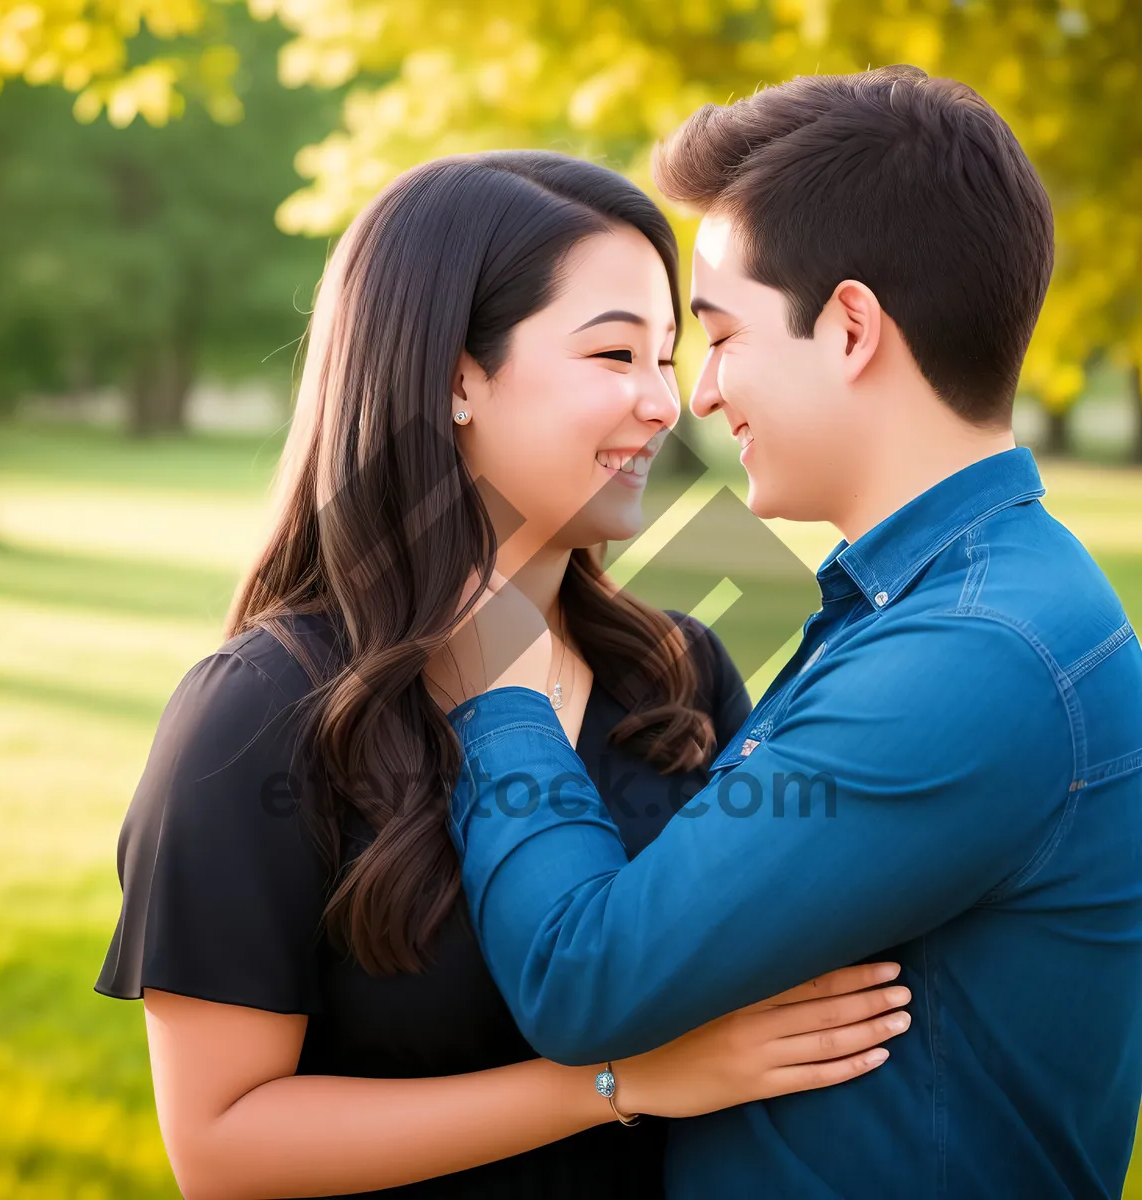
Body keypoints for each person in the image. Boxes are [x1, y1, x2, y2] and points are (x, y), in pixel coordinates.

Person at [93, 149, 913, 1200]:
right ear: (454, 379)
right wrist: (611, 1082)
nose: (668, 404)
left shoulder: (682, 672)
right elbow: (220, 1147)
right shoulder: (261, 710)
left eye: (671, 356)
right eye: (616, 355)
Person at [438, 68, 1142, 1199]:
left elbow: (587, 978)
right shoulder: (950, 600)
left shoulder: (974, 657)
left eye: (720, 336)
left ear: (852, 327)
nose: (699, 395)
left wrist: (497, 688)